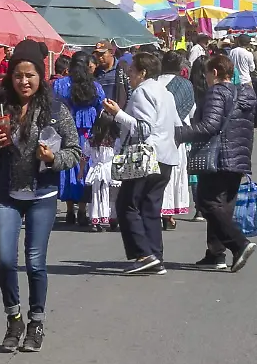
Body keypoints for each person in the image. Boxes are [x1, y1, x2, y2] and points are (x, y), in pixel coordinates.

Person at [0, 40, 81, 353]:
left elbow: (75, 152)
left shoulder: (55, 110)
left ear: (41, 76)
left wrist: (53, 159)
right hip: (7, 194)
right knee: (6, 260)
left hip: (42, 193)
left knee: (35, 263)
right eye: (18, 75)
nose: (24, 81)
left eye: (30, 75)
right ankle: (14, 319)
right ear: (10, 76)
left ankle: (36, 322)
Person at [174, 54, 257, 273]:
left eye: (208, 74)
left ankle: (239, 244)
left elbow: (210, 125)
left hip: (219, 156)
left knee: (207, 202)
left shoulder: (217, 92)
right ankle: (215, 253)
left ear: (215, 73)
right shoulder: (245, 93)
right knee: (224, 205)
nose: (207, 78)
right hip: (239, 156)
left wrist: (179, 134)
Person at [101, 52, 182, 275]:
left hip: (147, 156)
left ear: (142, 72)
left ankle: (144, 254)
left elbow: (143, 128)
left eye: (132, 70)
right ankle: (155, 256)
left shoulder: (142, 92)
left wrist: (117, 113)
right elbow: (176, 123)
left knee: (127, 204)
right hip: (166, 156)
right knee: (150, 207)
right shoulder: (165, 93)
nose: (129, 74)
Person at [53, 51, 105, 228]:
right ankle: (82, 209)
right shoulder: (96, 87)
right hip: (88, 134)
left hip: (66, 132)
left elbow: (53, 104)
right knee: (85, 169)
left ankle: (69, 211)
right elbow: (101, 108)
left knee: (68, 168)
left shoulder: (60, 85)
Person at [159, 51, 195, 230]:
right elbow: (191, 112)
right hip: (177, 136)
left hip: (156, 136)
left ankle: (157, 210)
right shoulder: (186, 85)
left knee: (156, 175)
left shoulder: (153, 83)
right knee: (173, 175)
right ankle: (169, 214)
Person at [94, 41, 129, 110]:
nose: (99, 57)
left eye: (102, 54)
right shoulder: (95, 72)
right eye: (97, 55)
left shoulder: (122, 69)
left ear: (111, 53)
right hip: (102, 114)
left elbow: (129, 91)